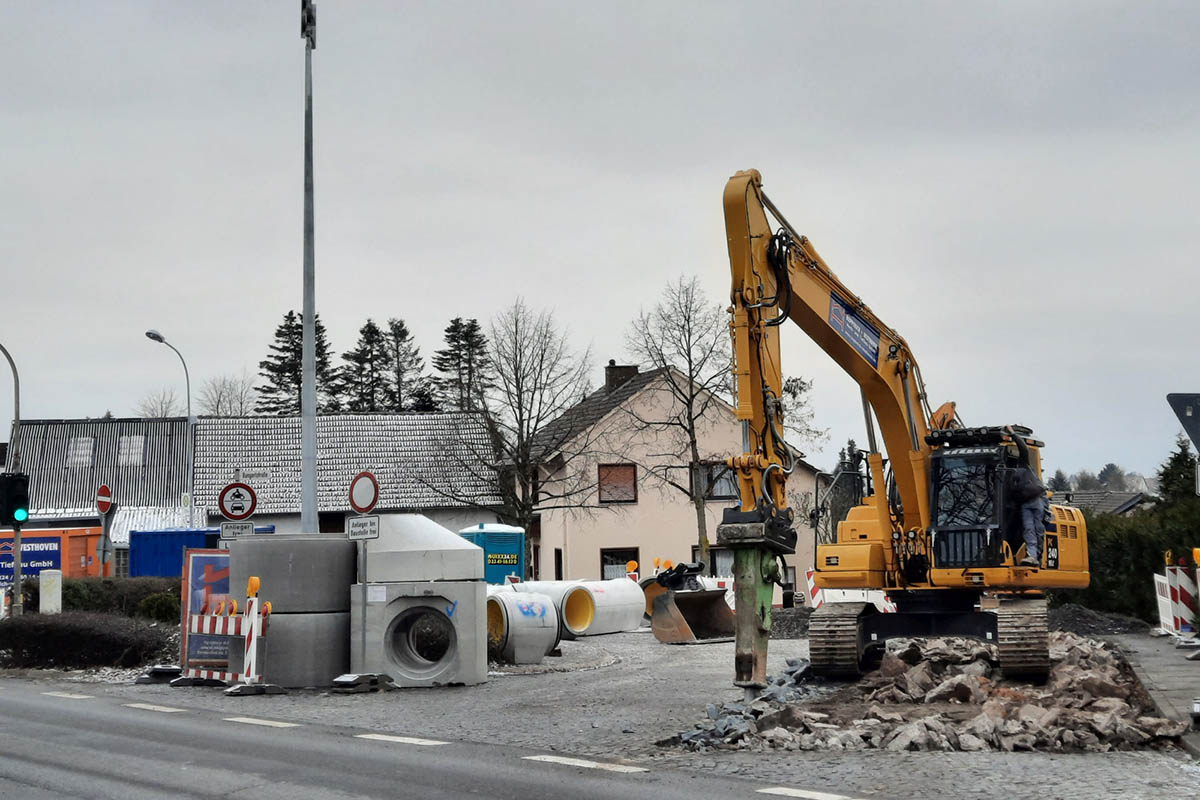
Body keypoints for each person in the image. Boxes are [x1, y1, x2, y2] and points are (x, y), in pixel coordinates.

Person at [1005, 425, 1047, 567]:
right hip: (1024, 504)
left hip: (1036, 500)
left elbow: (1023, 448)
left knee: (1038, 529)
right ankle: (1032, 556)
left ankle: (1038, 556)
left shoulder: (1023, 464)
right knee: (1029, 529)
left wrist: (1012, 434)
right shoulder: (1004, 477)